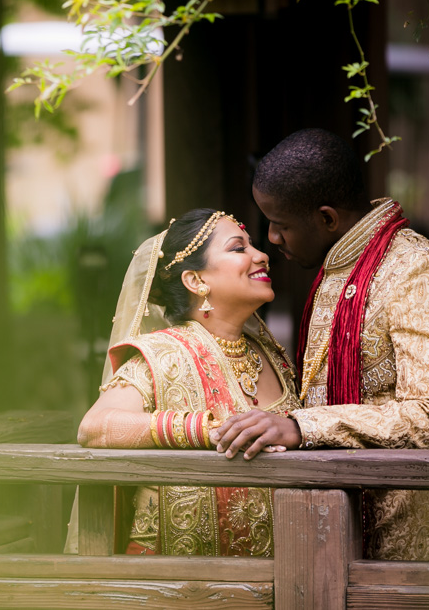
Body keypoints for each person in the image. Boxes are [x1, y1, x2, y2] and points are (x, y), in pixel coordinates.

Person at [211, 128, 429, 561]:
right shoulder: (338, 269)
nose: (272, 239)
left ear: (327, 219)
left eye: (280, 225)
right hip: (329, 540)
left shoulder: (418, 272)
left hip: (409, 556)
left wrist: (303, 427)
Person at [77, 208, 301, 556]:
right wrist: (205, 430)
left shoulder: (270, 353)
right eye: (238, 248)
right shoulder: (163, 354)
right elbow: (94, 427)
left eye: (252, 246)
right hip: (177, 580)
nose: (261, 256)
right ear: (196, 281)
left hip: (282, 577)